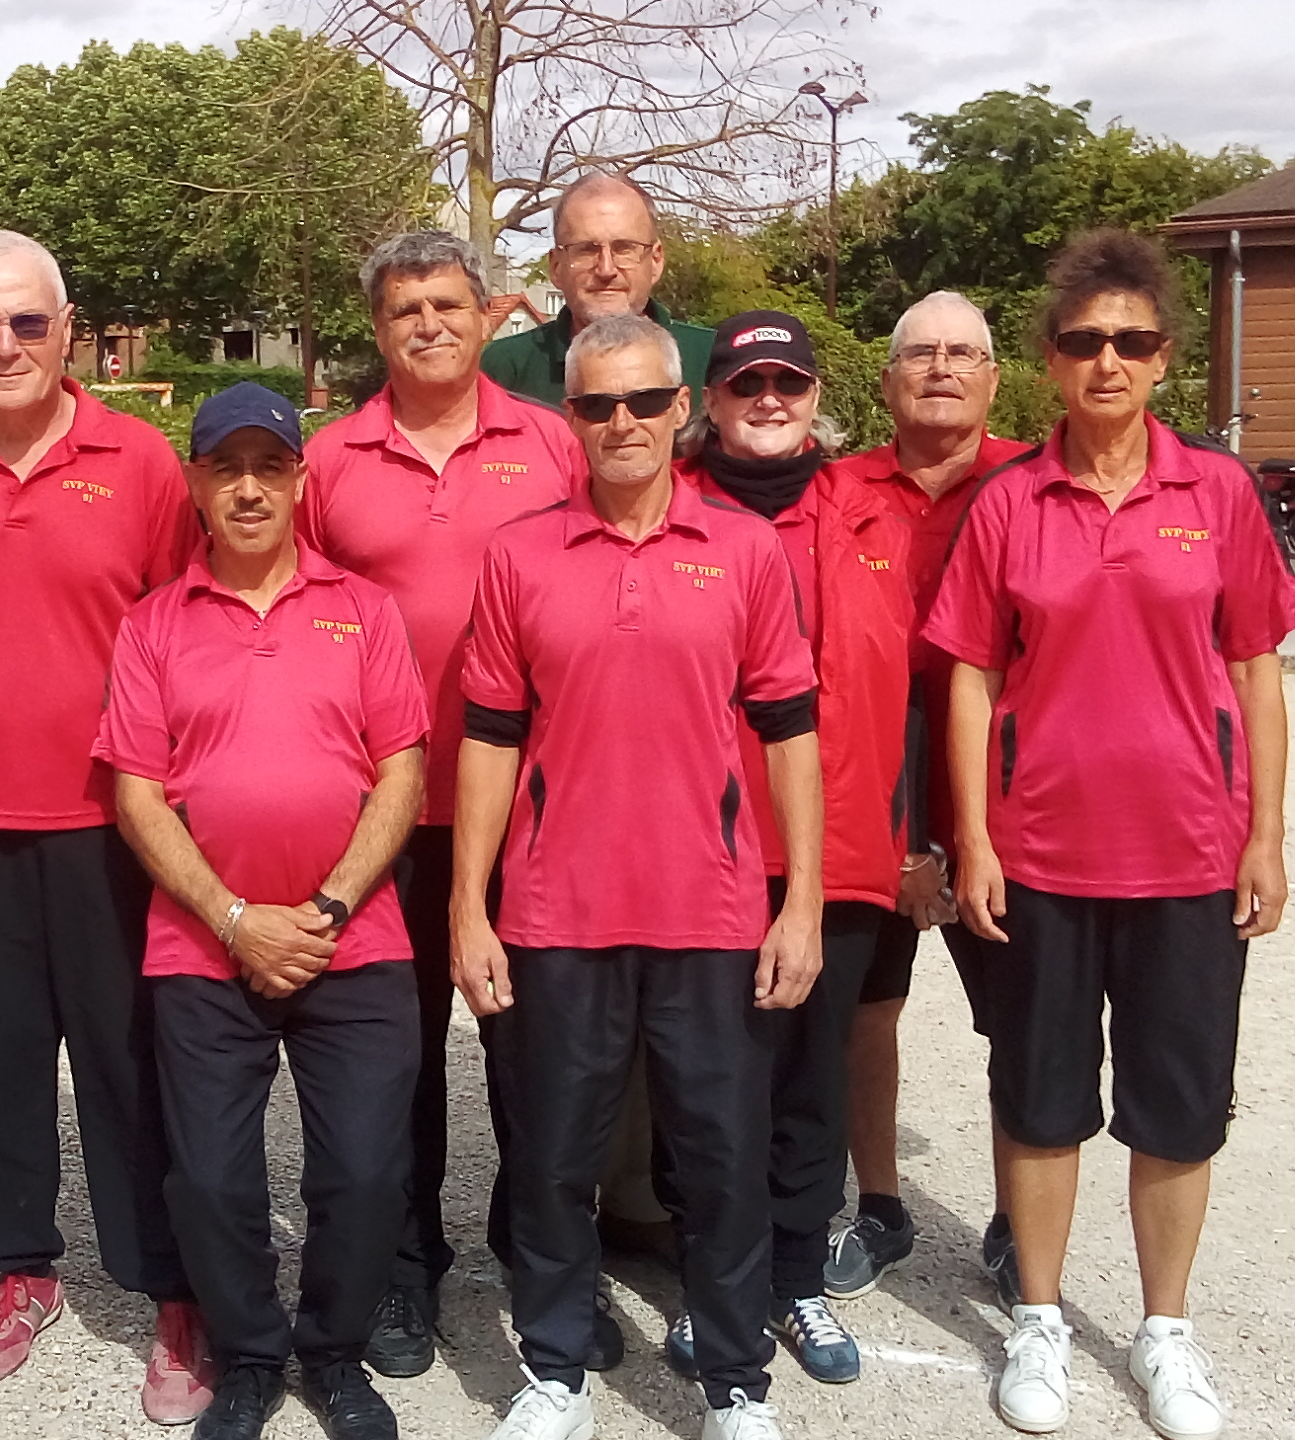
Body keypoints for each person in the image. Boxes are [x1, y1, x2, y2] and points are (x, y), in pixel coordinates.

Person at [925, 229, 1295, 1440]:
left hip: (1192, 856)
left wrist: (1266, 834)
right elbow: (971, 681)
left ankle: (1163, 1333)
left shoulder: (1218, 493)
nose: (1107, 360)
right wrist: (974, 840)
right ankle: (1036, 1319)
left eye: (1131, 342)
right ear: (1049, 359)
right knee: (1039, 1099)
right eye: (1085, 340)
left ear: (1160, 361)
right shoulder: (1006, 503)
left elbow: (1254, 668)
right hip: (1040, 856)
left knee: (1178, 1102)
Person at [0, 231, 212, 1423]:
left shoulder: (145, 461)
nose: (4, 346)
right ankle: (21, 1269)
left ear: (68, 332)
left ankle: (169, 1288)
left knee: (131, 1060)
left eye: (26, 324)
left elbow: (186, 632)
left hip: (115, 820)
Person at [458, 313, 823, 1440]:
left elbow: (789, 733)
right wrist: (468, 907)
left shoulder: (744, 552)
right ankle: (556, 1367)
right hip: (556, 911)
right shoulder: (517, 555)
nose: (620, 423)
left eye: (641, 402)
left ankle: (733, 1384)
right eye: (593, 404)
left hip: (707, 910)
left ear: (681, 410)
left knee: (717, 1160)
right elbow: (486, 737)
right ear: (568, 419)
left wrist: (798, 898)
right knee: (554, 1157)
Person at [103, 384, 432, 1440]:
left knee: (369, 1168)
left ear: (300, 479)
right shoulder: (153, 625)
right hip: (203, 944)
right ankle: (247, 1355)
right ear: (195, 482)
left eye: (270, 466)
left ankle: (332, 1352)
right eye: (225, 468)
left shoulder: (366, 611)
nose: (248, 489)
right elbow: (137, 795)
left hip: (357, 937)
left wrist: (324, 909)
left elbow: (402, 772)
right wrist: (237, 916)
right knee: (208, 1175)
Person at [298, 230, 589, 1379]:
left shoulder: (555, 445)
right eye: (405, 308)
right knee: (396, 1063)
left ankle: (540, 1258)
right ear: (378, 329)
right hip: (383, 813)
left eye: (449, 305)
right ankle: (404, 1271)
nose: (428, 324)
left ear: (486, 318)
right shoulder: (329, 461)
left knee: (537, 1052)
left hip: (529, 807)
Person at [657, 308, 883, 1389]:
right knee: (709, 1086)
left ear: (813, 395)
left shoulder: (867, 507)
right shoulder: (668, 510)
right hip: (703, 849)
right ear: (709, 398)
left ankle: (793, 1272)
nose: (768, 400)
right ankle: (715, 1285)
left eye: (787, 383)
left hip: (833, 845)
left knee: (808, 1083)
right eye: (746, 383)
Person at [819, 293, 1039, 1307]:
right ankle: (878, 1204)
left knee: (1020, 1017)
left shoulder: (1036, 483)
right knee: (870, 1009)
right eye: (920, 354)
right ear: (886, 378)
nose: (941, 369)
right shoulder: (836, 489)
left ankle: (1016, 1214)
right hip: (874, 775)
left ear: (994, 378)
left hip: (1006, 782)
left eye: (963, 354)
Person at [481, 171, 715, 408]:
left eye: (624, 248)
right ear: (556, 266)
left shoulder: (713, 362)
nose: (606, 269)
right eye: (586, 250)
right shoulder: (503, 371)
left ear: (655, 261)